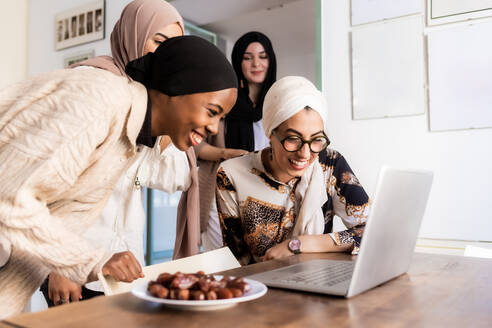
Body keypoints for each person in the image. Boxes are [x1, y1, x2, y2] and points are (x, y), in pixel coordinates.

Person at [0, 35, 237, 318]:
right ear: (177, 85)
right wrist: (93, 260)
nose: (213, 127)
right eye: (212, 112)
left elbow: (54, 219)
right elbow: (9, 199)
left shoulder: (128, 141)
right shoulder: (100, 99)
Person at [39, 0, 197, 307]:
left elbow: (173, 178)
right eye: (158, 42)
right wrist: (58, 265)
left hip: (121, 270)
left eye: (172, 48)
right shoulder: (91, 87)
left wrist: (168, 112)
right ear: (132, 36)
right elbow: (45, 184)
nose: (164, 56)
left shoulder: (144, 101)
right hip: (74, 268)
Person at [216, 76, 370, 265]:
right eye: (293, 139)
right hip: (263, 285)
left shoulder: (330, 163)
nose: (305, 153)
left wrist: (301, 244)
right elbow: (235, 261)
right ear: (270, 134)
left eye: (316, 139)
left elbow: (375, 231)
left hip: (319, 280)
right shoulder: (231, 175)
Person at [198, 31, 277, 251]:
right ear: (237, 62)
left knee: (259, 268)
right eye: (247, 57)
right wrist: (228, 153)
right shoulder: (223, 98)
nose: (256, 63)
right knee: (222, 265)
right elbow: (196, 147)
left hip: (266, 197)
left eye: (263, 56)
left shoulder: (278, 104)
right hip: (220, 193)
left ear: (271, 60)